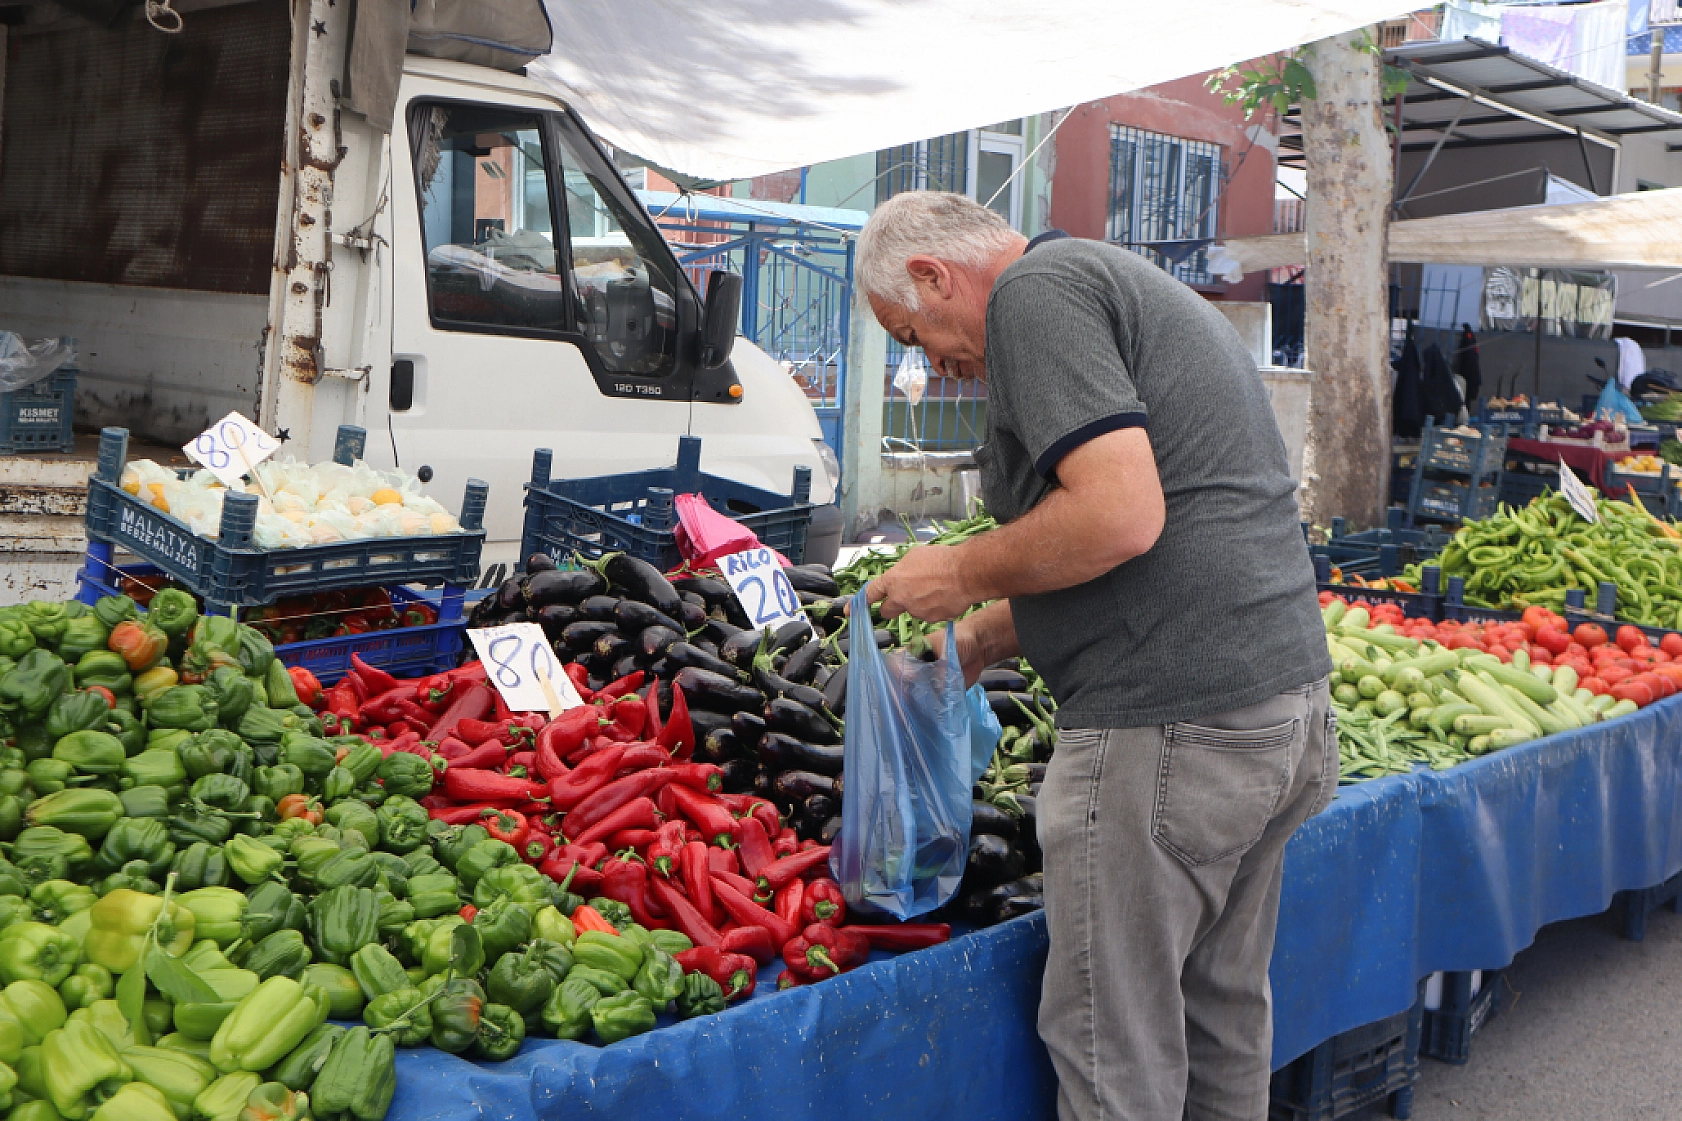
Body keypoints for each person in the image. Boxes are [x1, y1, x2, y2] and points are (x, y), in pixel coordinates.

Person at [854, 192, 1334, 1121]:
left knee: (1117, 1049)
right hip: (1274, 709)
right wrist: (981, 636)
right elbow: (1156, 538)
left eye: (913, 336)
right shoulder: (1113, 279)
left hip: (1169, 725)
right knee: (1220, 1018)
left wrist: (956, 571)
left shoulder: (1033, 295)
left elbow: (1119, 515)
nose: (934, 365)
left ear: (932, 275)